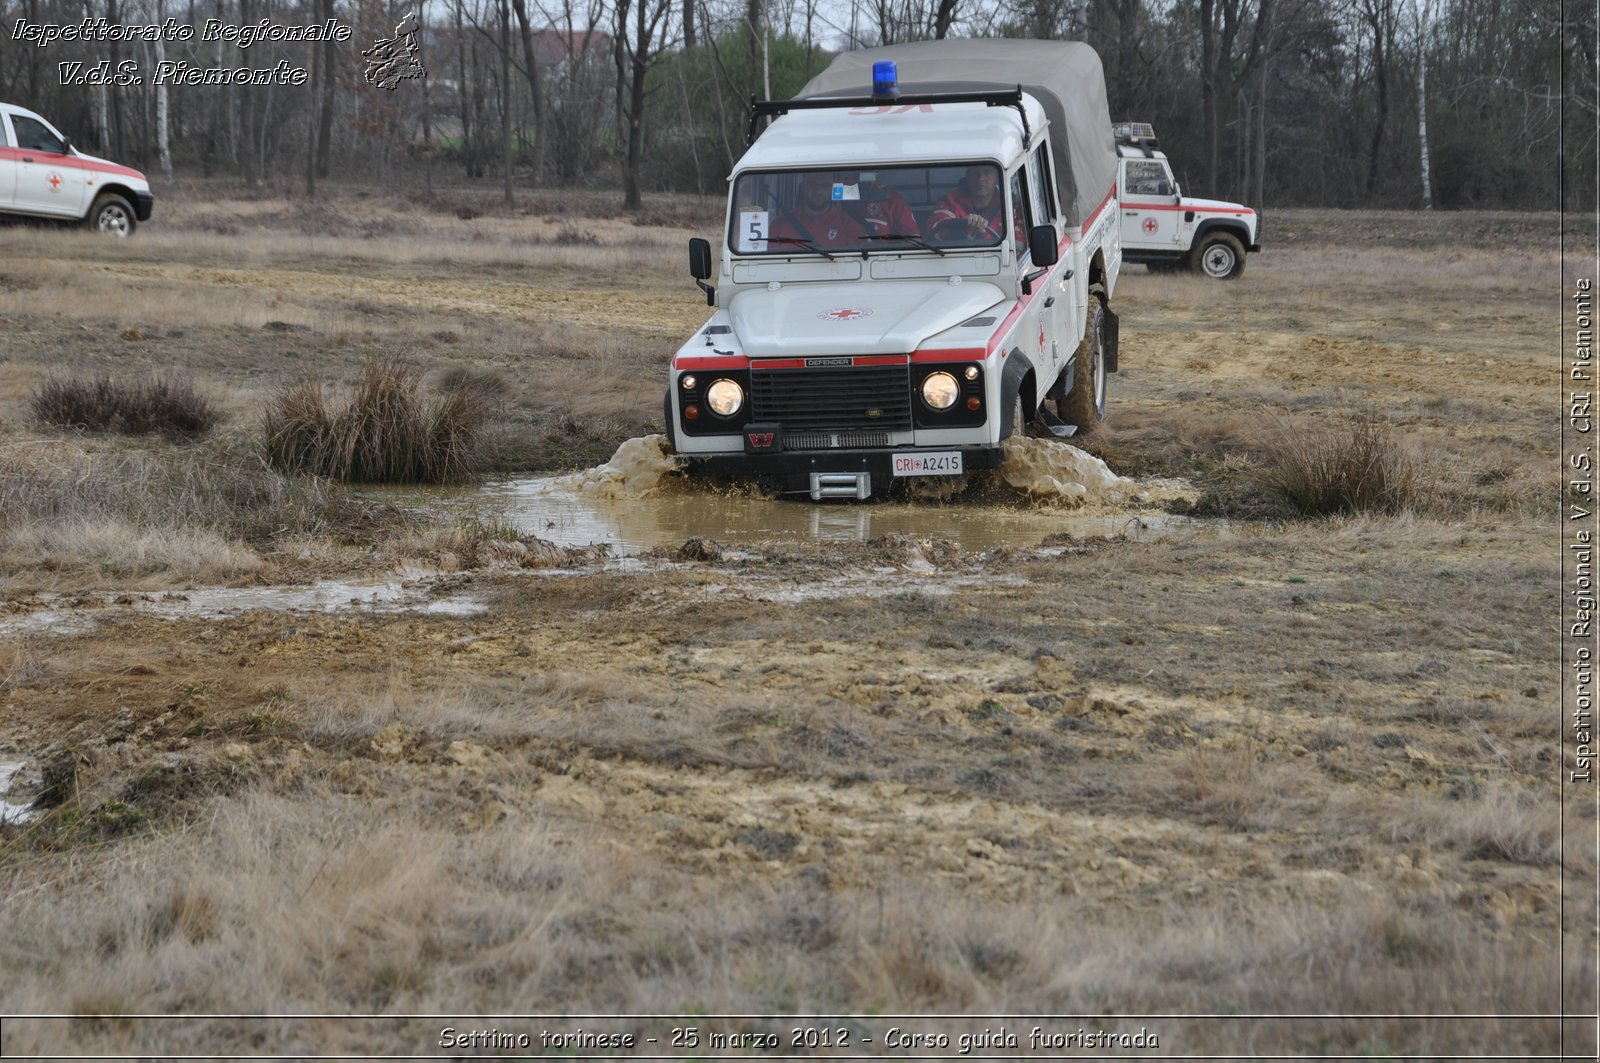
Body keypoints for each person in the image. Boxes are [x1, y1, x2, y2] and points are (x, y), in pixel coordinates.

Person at [769, 171, 868, 249]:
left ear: (833, 188)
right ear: (803, 186)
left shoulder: (850, 226)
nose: (818, 190)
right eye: (812, 184)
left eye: (825, 185)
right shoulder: (779, 225)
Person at [926, 165, 1009, 242]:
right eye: (975, 172)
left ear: (997, 178)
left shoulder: (1007, 206)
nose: (980, 178)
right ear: (967, 176)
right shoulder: (949, 201)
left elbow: (1016, 245)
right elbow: (935, 229)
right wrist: (962, 226)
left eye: (987, 172)